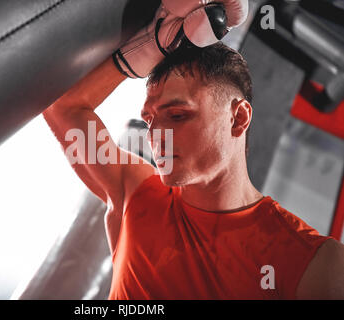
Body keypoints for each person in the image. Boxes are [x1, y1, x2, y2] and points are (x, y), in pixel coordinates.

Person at [43, 0, 344, 299]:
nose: (155, 136)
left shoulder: (314, 263)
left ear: (237, 118)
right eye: (149, 120)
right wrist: (147, 47)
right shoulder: (134, 193)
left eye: (177, 115)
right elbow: (62, 108)